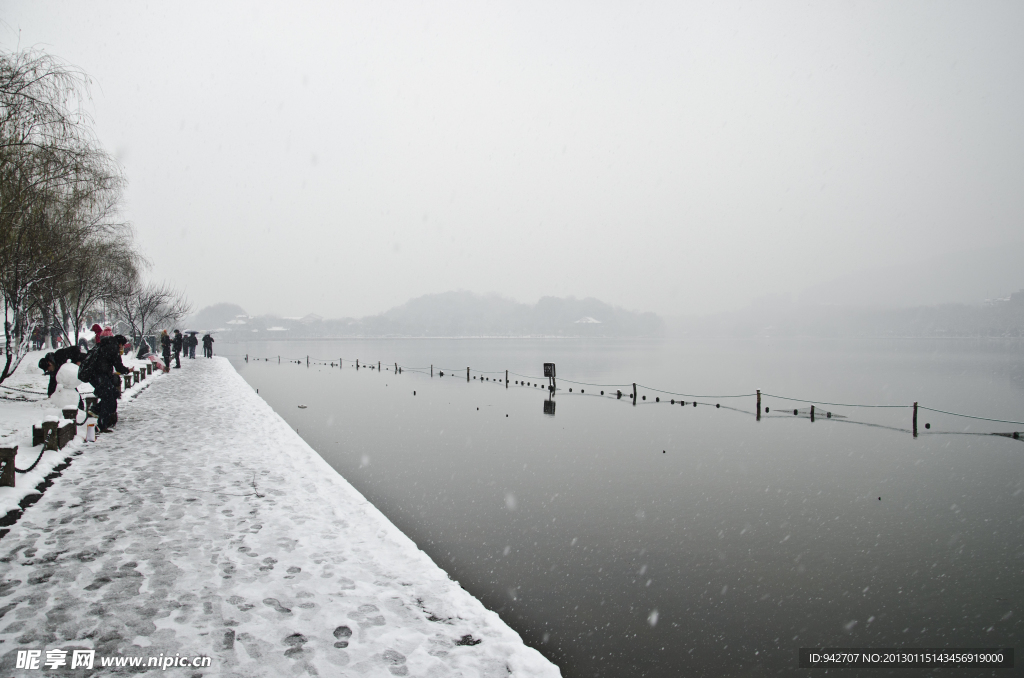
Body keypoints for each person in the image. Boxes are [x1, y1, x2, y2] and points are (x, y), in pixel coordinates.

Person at [86, 334, 131, 432]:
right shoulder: (113, 348)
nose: (122, 347)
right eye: (122, 345)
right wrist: (127, 370)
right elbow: (118, 366)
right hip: (100, 375)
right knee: (108, 397)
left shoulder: (103, 344)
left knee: (114, 393)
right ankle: (102, 424)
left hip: (94, 375)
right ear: (120, 343)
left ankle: (96, 410)